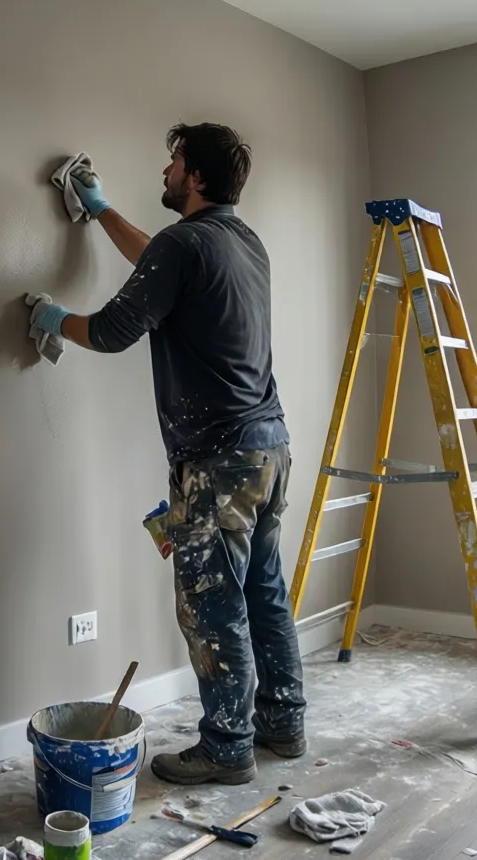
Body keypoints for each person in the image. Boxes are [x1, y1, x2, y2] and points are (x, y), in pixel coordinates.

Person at [30, 123, 306, 785]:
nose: (166, 172)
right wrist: (98, 211)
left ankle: (228, 748)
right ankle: (283, 723)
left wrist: (51, 317)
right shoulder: (243, 242)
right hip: (269, 449)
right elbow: (158, 257)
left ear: (197, 177)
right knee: (264, 593)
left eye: (174, 162)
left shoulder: (185, 244)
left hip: (218, 460)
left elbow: (113, 330)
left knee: (213, 606)